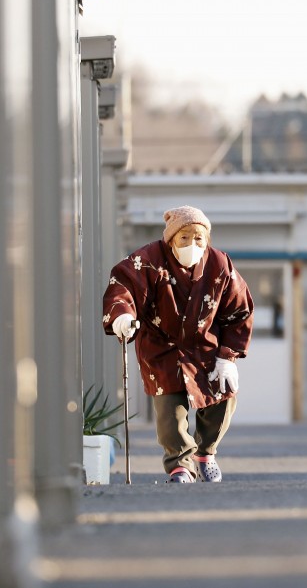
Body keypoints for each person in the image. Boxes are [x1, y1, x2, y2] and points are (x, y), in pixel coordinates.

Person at [102, 205, 254, 483]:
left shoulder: (220, 264)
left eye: (199, 238)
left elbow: (239, 310)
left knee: (223, 397)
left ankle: (205, 453)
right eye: (185, 237)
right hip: (162, 346)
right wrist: (122, 315)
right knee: (171, 410)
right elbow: (124, 285)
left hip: (205, 345)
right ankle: (180, 464)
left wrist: (228, 356)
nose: (193, 244)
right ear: (171, 238)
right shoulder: (147, 260)